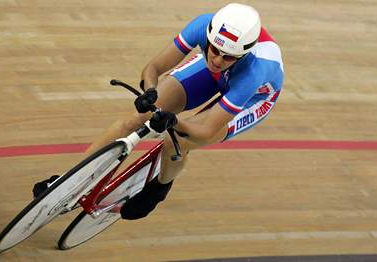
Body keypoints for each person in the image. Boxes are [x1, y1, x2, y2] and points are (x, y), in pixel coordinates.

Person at [33, 3, 284, 220]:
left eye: (228, 56)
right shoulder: (204, 25)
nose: (218, 60)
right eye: (214, 49)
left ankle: (158, 189)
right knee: (139, 118)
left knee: (180, 140)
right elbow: (153, 67)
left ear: (243, 53)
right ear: (209, 36)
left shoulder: (255, 71)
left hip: (255, 96)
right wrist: (150, 92)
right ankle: (66, 182)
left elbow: (206, 130)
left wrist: (174, 121)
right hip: (213, 75)